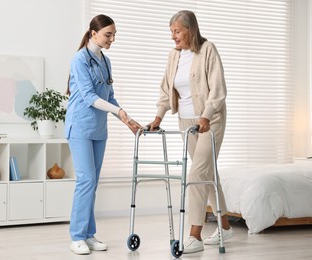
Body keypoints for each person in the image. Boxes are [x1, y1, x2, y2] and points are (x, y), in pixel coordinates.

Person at [146, 10, 233, 254]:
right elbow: (166, 89)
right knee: (208, 173)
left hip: (210, 120)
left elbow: (217, 89)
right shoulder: (174, 55)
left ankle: (195, 235)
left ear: (190, 30)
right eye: (171, 32)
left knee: (196, 174)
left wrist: (206, 115)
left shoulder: (208, 50)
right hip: (186, 122)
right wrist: (158, 117)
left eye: (177, 31)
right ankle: (225, 226)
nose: (173, 36)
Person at [65, 14, 142, 255]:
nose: (112, 39)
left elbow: (109, 97)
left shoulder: (105, 61)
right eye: (108, 34)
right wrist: (118, 111)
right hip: (79, 127)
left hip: (99, 130)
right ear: (93, 33)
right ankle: (76, 236)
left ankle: (88, 235)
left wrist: (126, 118)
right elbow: (89, 97)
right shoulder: (79, 59)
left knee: (92, 183)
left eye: (114, 34)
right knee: (86, 180)